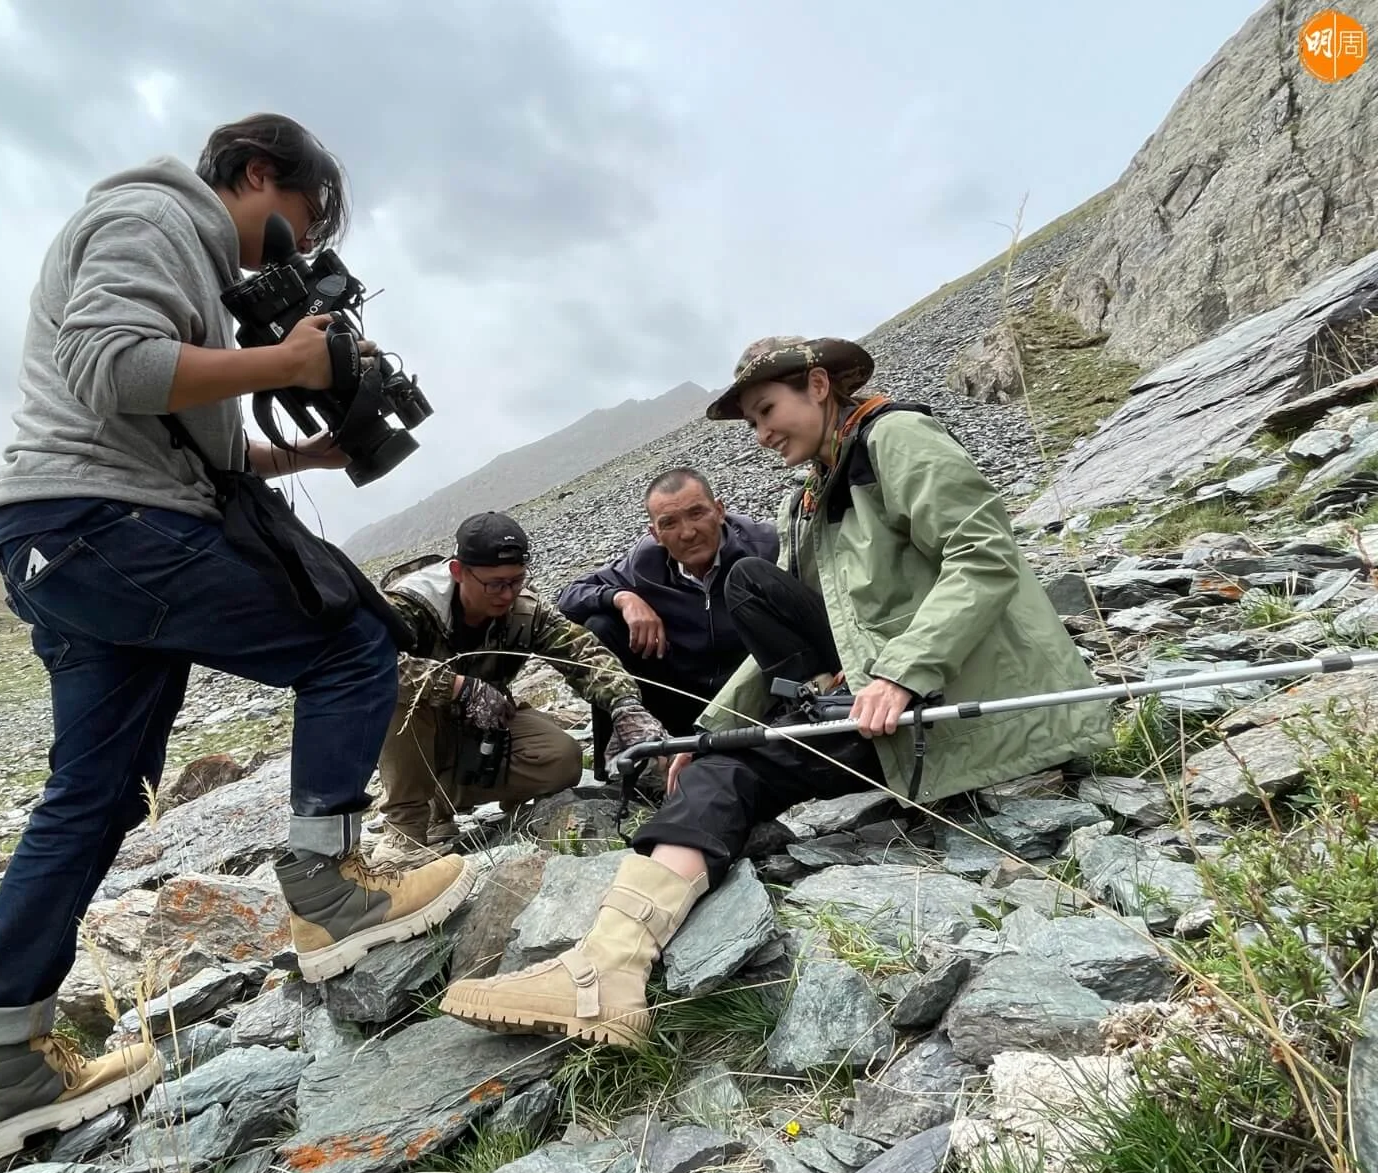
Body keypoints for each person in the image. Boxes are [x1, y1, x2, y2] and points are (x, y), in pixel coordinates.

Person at [0, 115, 473, 1173]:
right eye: (295, 227)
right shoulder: (155, 215)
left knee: (91, 795)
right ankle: (330, 894)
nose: (291, 257)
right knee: (354, 638)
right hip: (109, 527)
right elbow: (109, 368)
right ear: (258, 175)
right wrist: (285, 355)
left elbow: (173, 423)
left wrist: (292, 449)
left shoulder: (184, 259)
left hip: (66, 538)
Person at [439, 335, 1114, 1048]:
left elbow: (984, 556)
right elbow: (779, 640)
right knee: (725, 756)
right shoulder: (811, 495)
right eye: (752, 423)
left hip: (940, 697)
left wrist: (900, 671)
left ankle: (603, 969)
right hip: (874, 703)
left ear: (818, 385)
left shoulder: (898, 439)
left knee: (743, 616)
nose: (762, 435)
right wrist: (708, 732)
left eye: (767, 412)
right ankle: (606, 971)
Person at [368, 511, 671, 868]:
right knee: (398, 698)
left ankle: (443, 799)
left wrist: (625, 705)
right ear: (458, 572)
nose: (507, 594)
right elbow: (371, 665)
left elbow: (581, 651)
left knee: (562, 759)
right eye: (495, 584)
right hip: (417, 733)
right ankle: (406, 830)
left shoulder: (523, 610)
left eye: (516, 581)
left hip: (482, 728)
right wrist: (457, 686)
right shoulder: (411, 604)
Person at [556, 467, 778, 779]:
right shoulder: (644, 564)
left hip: (757, 696)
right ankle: (624, 769)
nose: (687, 532)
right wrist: (623, 598)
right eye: (669, 523)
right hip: (680, 699)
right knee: (601, 625)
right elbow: (568, 596)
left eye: (697, 513)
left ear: (720, 510)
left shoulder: (765, 547)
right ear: (655, 534)